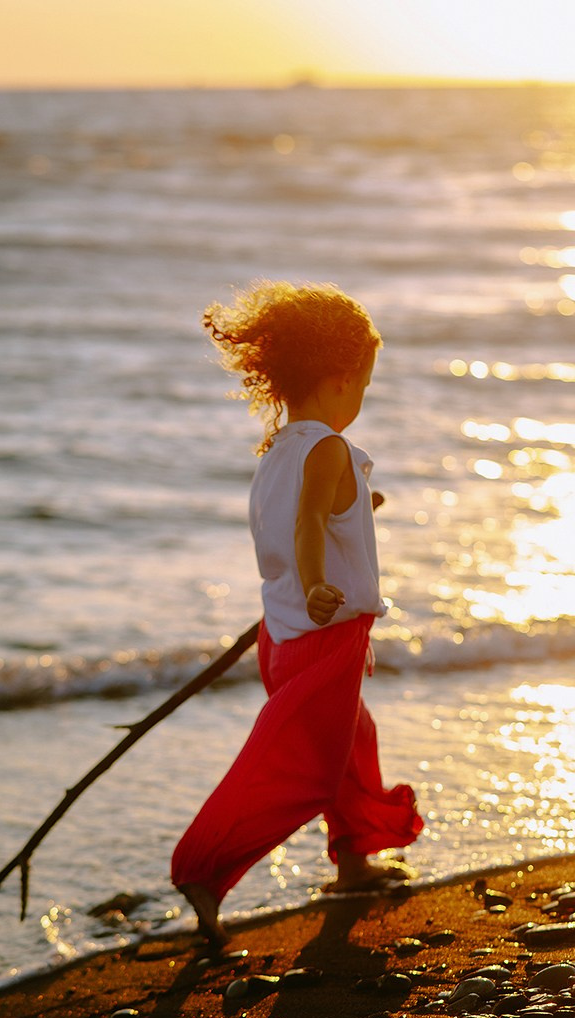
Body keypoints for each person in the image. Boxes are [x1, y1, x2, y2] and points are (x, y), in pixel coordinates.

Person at [171, 280, 423, 946]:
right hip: (322, 632)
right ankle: (203, 868)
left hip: (283, 638)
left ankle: (356, 862)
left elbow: (306, 519)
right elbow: (309, 526)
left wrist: (358, 514)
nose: (362, 398)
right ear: (341, 379)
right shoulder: (330, 449)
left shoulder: (279, 449)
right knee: (301, 768)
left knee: (349, 746)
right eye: (364, 385)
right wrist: (316, 584)